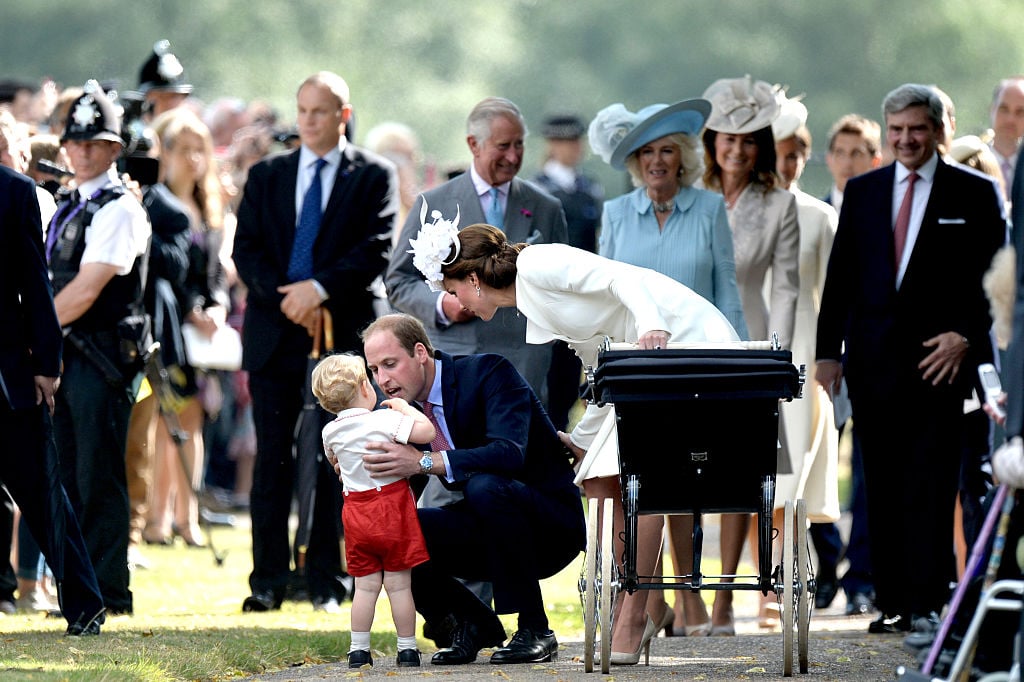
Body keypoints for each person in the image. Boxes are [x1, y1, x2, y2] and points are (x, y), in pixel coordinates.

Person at [410, 211, 740, 664]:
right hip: (635, 368)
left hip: (679, 341)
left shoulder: (538, 264)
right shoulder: (530, 303)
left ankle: (635, 609)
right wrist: (579, 437)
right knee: (598, 477)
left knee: (647, 480)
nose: (458, 304)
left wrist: (649, 323)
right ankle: (647, 599)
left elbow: (622, 280)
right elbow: (601, 374)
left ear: (472, 277)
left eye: (453, 292)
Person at [815, 83, 1007, 635]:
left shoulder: (973, 192)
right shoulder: (865, 191)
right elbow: (842, 279)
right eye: (896, 130)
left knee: (930, 482)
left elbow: (997, 280)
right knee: (881, 484)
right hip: (874, 363)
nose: (905, 139)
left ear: (940, 131)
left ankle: (927, 601)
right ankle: (892, 600)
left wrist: (966, 336)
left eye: (917, 129)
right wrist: (829, 355)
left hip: (941, 363)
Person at [231, 70, 398, 613]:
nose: (308, 121)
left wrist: (319, 288)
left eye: (320, 112)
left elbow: (375, 247)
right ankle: (268, 580)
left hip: (342, 334)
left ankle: (327, 576)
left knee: (337, 458)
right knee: (273, 459)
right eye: (302, 111)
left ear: (343, 115)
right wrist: (288, 297)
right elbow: (246, 249)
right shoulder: (267, 176)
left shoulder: (373, 174)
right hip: (275, 333)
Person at [587, 97, 747, 641]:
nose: (658, 161)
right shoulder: (614, 214)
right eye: (648, 152)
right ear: (636, 161)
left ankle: (687, 597)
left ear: (683, 159)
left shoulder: (707, 210)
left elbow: (727, 289)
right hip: (637, 371)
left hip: (698, 364)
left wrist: (741, 359)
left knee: (684, 478)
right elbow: (606, 296)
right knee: (643, 479)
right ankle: (659, 598)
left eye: (668, 151)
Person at [360, 313, 585, 666]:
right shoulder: (398, 414)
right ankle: (473, 623)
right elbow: (394, 482)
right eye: (374, 370)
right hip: (489, 526)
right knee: (394, 529)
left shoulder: (488, 372)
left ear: (421, 352)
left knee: (485, 485)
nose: (383, 379)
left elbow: (509, 453)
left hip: (551, 526)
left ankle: (536, 629)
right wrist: (355, 471)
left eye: (390, 364)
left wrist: (423, 461)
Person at [699, 74, 800, 635]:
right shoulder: (694, 198)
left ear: (761, 146)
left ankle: (724, 601)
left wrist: (773, 356)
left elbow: (785, 286)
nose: (736, 150)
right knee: (681, 467)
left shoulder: (779, 204)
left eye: (748, 140)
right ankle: (682, 594)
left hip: (750, 346)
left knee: (741, 473)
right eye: (727, 138)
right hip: (692, 344)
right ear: (713, 141)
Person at [385, 97, 568, 403]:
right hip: (456, 361)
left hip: (524, 364)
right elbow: (399, 282)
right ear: (474, 144)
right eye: (503, 146)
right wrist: (443, 304)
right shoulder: (433, 203)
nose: (513, 156)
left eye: (519, 145)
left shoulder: (546, 207)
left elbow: (562, 285)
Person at [49, 80, 152, 617]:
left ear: (115, 148)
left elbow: (88, 288)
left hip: (102, 362)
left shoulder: (119, 208)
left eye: (94, 142)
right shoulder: (69, 203)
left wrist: (32, 334)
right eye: (76, 141)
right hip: (64, 357)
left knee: (97, 477)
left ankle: (108, 591)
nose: (82, 151)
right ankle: (77, 592)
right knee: (65, 476)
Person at [0, 162, 107, 636]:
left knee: (42, 491)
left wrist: (47, 362)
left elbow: (34, 282)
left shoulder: (15, 192)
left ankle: (85, 607)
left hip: (6, 376)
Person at [761, 90, 842, 627]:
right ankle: (769, 584)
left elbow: (837, 299)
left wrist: (829, 360)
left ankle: (785, 582)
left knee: (790, 479)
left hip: (804, 360)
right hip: (752, 358)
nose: (788, 165)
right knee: (759, 476)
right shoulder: (739, 214)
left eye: (797, 155)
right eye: (780, 153)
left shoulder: (821, 217)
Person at [311, 353, 432, 669]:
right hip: (392, 507)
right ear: (365, 386)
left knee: (364, 587)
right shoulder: (384, 420)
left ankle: (358, 649)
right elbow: (427, 434)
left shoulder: (329, 433)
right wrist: (406, 410)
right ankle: (406, 648)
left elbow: (336, 462)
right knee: (399, 585)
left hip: (356, 512)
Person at [144, 107, 231, 548]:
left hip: (201, 337)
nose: (194, 159)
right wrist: (191, 308)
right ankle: (156, 519)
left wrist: (216, 306)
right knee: (163, 423)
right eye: (184, 149)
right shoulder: (156, 204)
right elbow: (160, 274)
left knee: (192, 421)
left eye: (201, 150)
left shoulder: (207, 208)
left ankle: (187, 516)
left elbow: (214, 275)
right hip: (168, 329)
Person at [813, 113, 884, 616]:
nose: (850, 161)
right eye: (842, 152)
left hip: (876, 356)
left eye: (861, 152)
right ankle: (826, 561)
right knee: (817, 462)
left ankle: (862, 575)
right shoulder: (815, 214)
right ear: (829, 158)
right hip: (824, 358)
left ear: (875, 159)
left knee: (866, 471)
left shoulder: (885, 210)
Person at [532, 113, 606, 431]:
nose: (573, 148)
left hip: (583, 295)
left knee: (570, 382)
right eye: (565, 141)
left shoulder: (589, 190)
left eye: (576, 141)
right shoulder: (536, 190)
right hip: (549, 297)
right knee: (546, 381)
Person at [986, 76, 1024, 194]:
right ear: (992, 110)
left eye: (1020, 112)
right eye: (1004, 109)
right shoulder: (971, 163)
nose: (1010, 119)